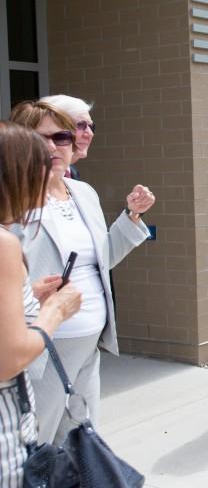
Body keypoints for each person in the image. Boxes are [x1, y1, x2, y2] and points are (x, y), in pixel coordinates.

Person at [9, 101, 154, 445]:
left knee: (80, 444)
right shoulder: (14, 203)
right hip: (43, 350)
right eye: (39, 138)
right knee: (36, 445)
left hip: (89, 344)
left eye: (61, 137)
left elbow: (102, 261)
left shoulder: (83, 193)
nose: (51, 147)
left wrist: (131, 218)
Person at [0, 122, 83, 487]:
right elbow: (9, 359)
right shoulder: (4, 244)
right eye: (43, 166)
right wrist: (55, 312)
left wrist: (27, 295)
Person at [40, 94, 94, 180]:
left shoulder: (72, 172)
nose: (90, 133)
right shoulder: (31, 177)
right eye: (80, 125)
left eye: (91, 127)